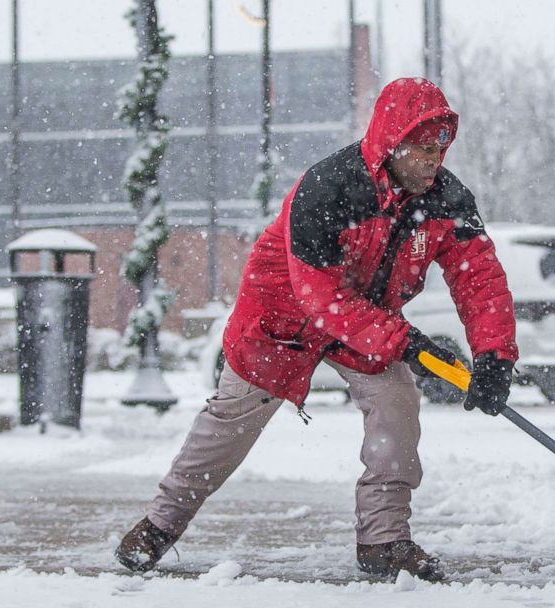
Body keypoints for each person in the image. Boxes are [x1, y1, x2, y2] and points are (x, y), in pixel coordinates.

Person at [115, 77, 518, 582]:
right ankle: (159, 525)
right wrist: (402, 340)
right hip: (283, 317)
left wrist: (495, 355)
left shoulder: (447, 201)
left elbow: (480, 279)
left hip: (366, 317)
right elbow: (320, 296)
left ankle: (384, 541)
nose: (434, 159)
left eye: (442, 145)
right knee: (230, 423)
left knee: (396, 403)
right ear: (393, 141)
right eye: (422, 146)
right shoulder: (329, 188)